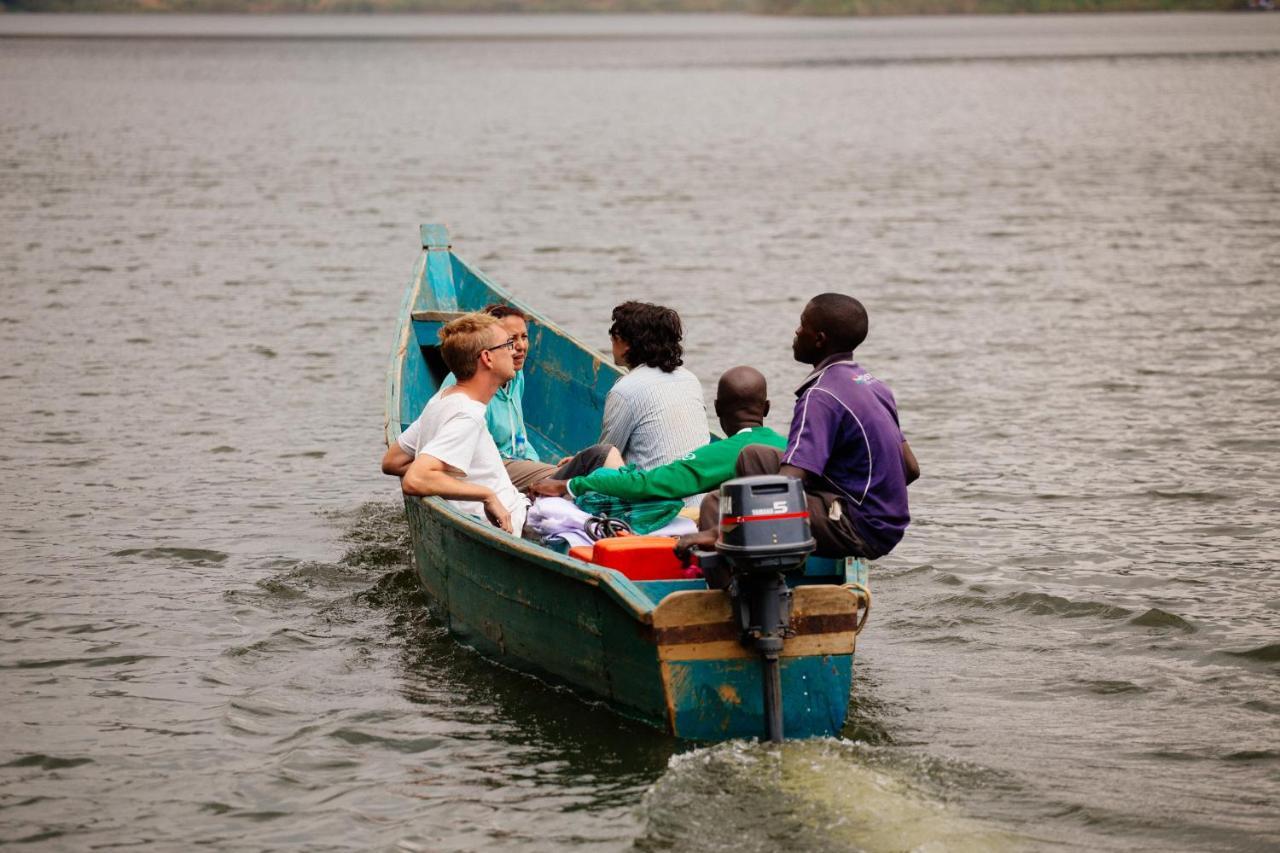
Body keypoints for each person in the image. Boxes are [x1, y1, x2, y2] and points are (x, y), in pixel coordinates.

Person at [678, 293, 919, 561]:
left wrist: (724, 529)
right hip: (881, 522)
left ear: (819, 340)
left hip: (858, 528)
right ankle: (763, 558)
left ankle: (733, 590)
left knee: (720, 503)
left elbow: (788, 482)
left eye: (803, 324)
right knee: (754, 455)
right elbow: (910, 469)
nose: (796, 331)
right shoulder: (872, 384)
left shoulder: (820, 395)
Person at [382, 303, 622, 489]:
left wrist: (536, 464)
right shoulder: (466, 396)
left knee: (577, 469)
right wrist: (453, 478)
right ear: (487, 353)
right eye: (510, 340)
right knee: (596, 463)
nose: (519, 347)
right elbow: (415, 460)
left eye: (524, 337)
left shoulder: (514, 376)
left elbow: (518, 434)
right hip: (495, 468)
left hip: (514, 465)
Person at [530, 366, 786, 506]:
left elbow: (648, 484)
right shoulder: (788, 445)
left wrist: (572, 485)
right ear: (766, 408)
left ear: (717, 408)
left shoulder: (724, 453)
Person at [391, 312, 530, 534]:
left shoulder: (442, 399)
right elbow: (415, 478)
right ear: (487, 358)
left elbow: (393, 461)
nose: (514, 350)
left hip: (517, 506)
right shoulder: (467, 416)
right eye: (507, 345)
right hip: (515, 522)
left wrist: (450, 478)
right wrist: (486, 495)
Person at [600, 301, 710, 471]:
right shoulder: (690, 379)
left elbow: (605, 457)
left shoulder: (624, 391)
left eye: (614, 338)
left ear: (627, 344)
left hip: (652, 494)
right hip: (699, 494)